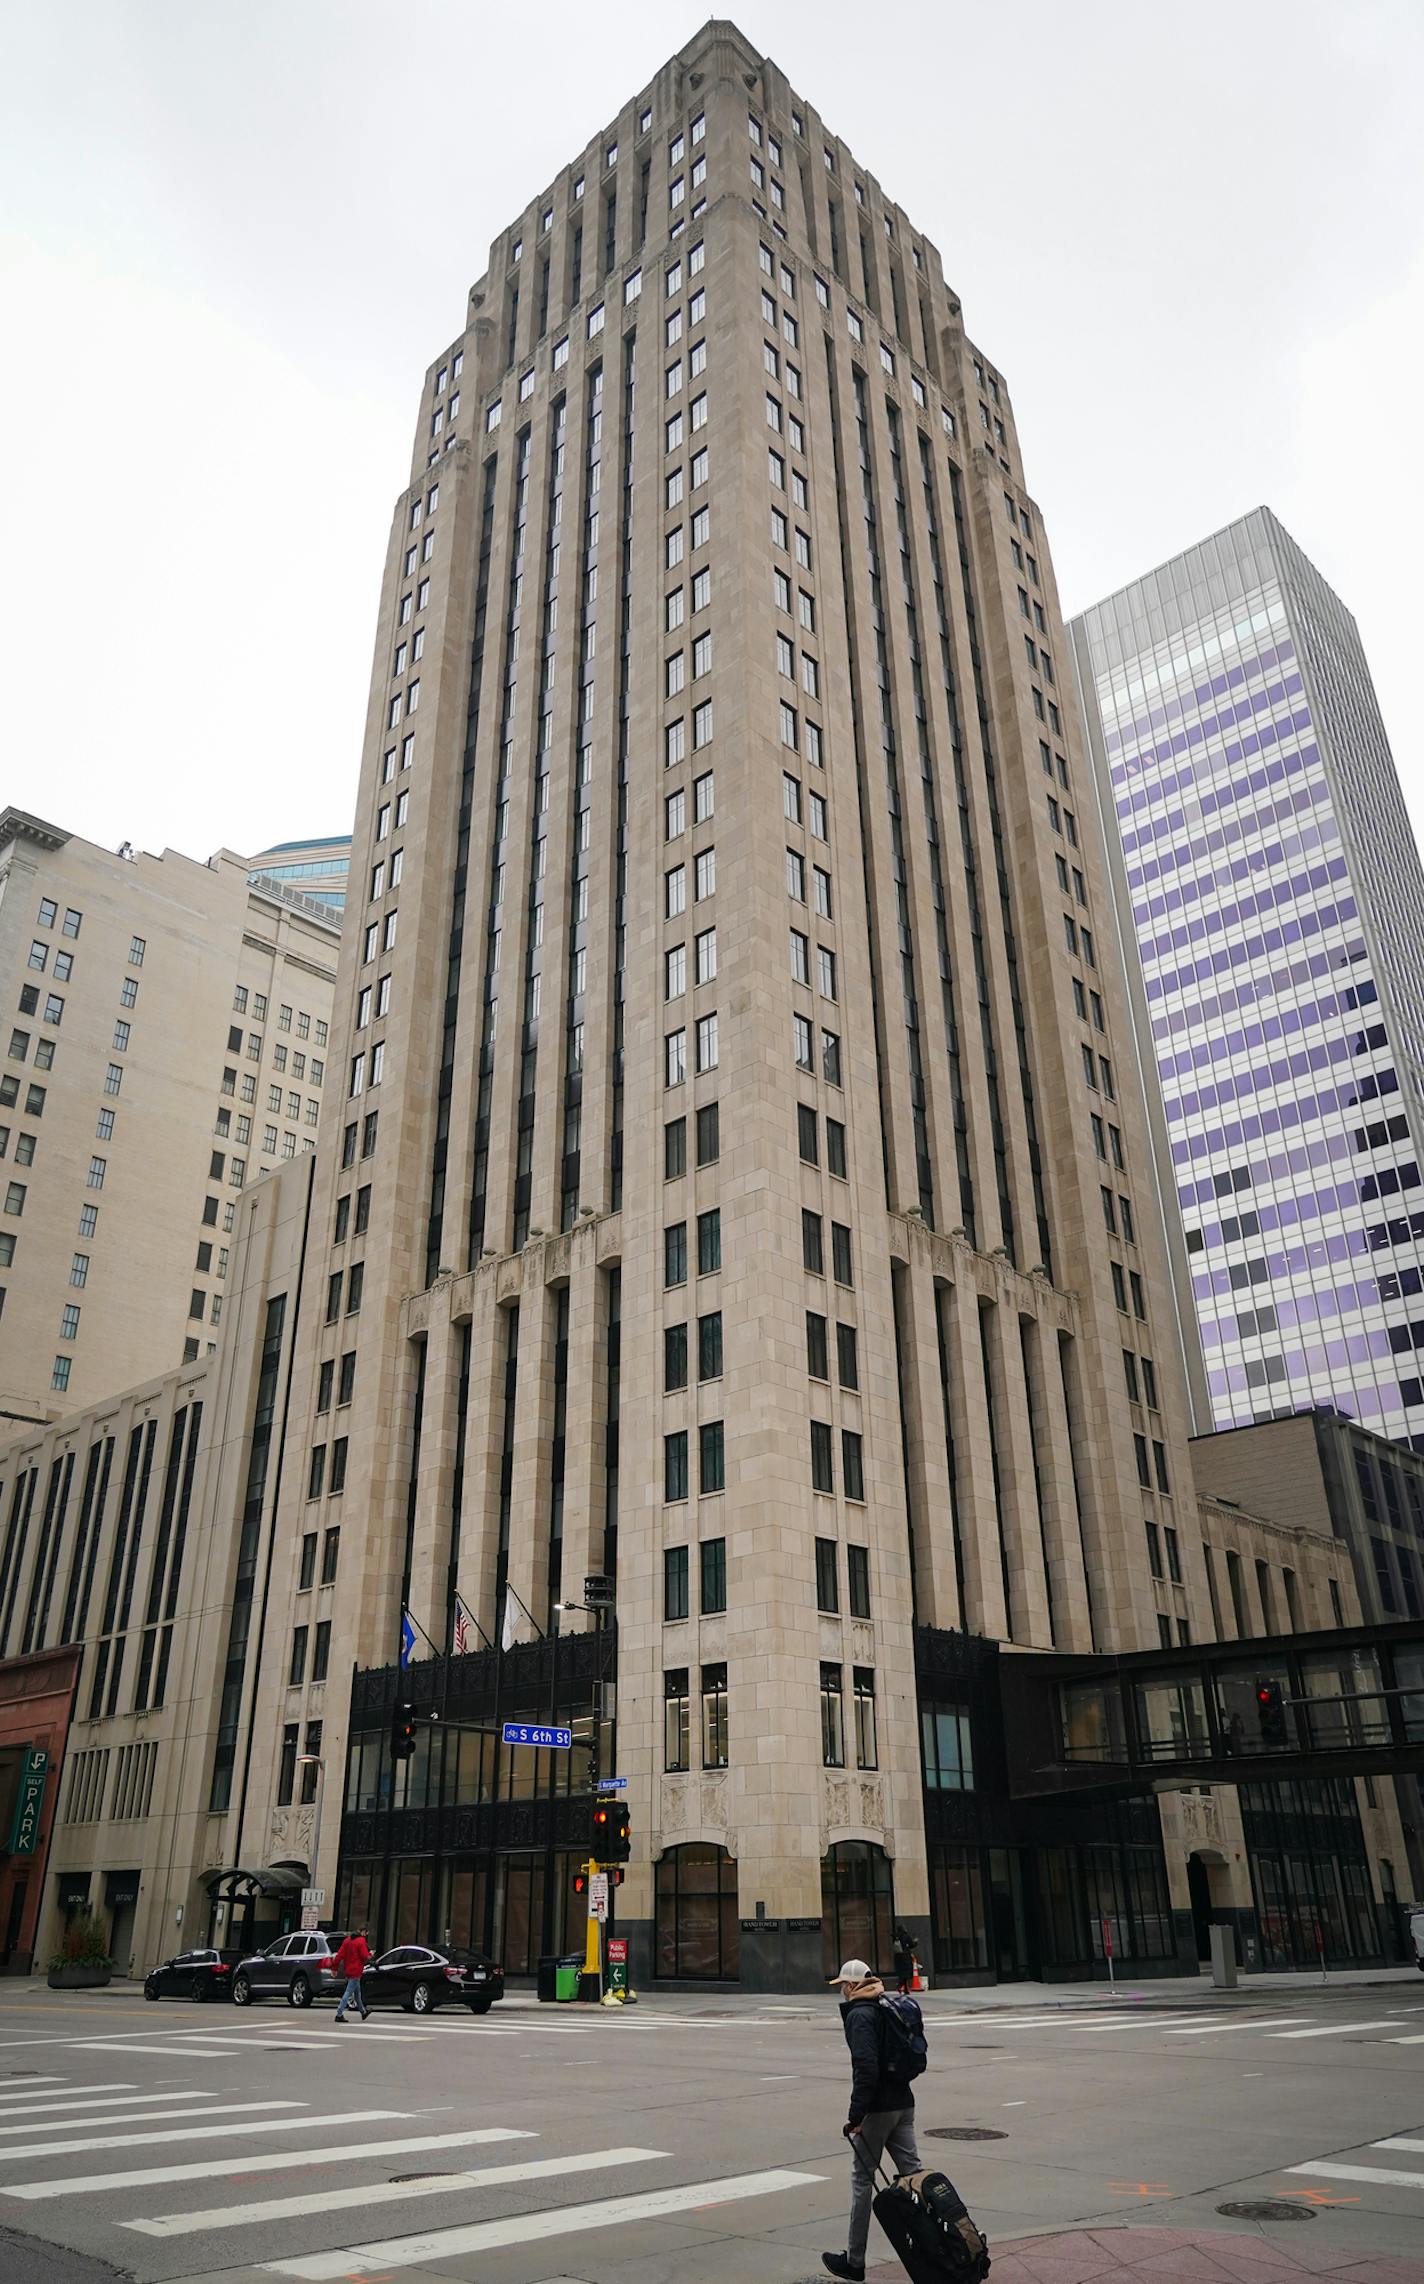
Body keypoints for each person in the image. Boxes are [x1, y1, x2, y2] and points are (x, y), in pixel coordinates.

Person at [822, 1957, 922, 2283]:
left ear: (852, 1986)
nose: (842, 1993)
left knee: (862, 2181)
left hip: (878, 2109)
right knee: (915, 2178)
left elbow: (865, 2068)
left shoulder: (861, 2015)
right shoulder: (883, 2005)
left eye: (842, 1987)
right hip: (903, 2103)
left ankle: (854, 2261)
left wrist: (855, 2117)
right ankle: (939, 2245)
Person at [331, 1925, 372, 2022]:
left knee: (357, 1993)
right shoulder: (361, 1941)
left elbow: (339, 1955)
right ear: (363, 1932)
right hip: (356, 1970)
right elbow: (365, 1956)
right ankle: (339, 2013)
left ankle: (363, 2012)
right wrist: (371, 1955)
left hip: (348, 1970)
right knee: (348, 1992)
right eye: (366, 1933)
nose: (366, 1936)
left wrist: (334, 1968)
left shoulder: (347, 1940)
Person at [892, 1924, 915, 1994]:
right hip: (905, 1956)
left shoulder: (895, 1936)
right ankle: (900, 1985)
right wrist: (915, 1942)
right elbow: (911, 1944)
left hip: (898, 1957)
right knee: (906, 1972)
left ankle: (905, 1988)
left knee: (901, 1972)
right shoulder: (905, 1936)